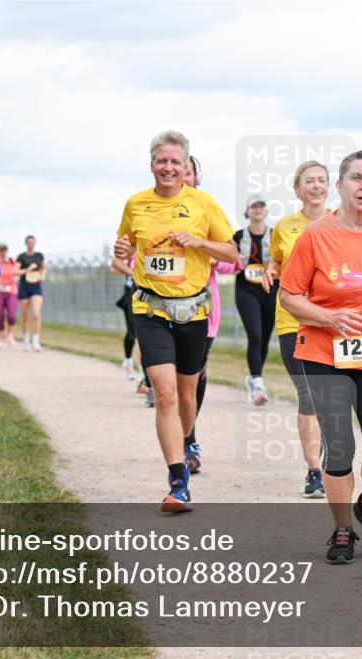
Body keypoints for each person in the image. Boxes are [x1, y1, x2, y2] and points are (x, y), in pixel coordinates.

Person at [279, 150, 362, 565]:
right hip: (323, 354)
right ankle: (341, 530)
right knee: (339, 447)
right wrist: (329, 317)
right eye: (356, 178)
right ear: (340, 187)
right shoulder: (316, 236)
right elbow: (289, 296)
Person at [114, 130, 237, 512]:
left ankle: (187, 442)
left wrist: (199, 243)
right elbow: (125, 246)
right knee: (164, 393)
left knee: (186, 394)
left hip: (193, 312)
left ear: (186, 168)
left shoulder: (203, 204)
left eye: (175, 162)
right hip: (150, 310)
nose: (168, 168)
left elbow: (232, 250)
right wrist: (123, 249)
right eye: (161, 161)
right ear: (151, 164)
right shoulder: (136, 204)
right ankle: (178, 482)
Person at [262, 160, 331, 498]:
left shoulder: (342, 223)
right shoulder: (284, 227)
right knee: (310, 395)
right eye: (309, 181)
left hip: (334, 321)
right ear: (297, 189)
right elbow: (276, 259)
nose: (316, 186)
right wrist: (270, 271)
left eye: (321, 180)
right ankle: (314, 471)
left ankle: (334, 454)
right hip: (293, 320)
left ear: (329, 186)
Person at [180, 154, 239, 474]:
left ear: (195, 177)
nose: (183, 177)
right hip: (161, 308)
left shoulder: (207, 209)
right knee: (169, 379)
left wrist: (207, 252)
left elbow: (232, 260)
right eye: (179, 171)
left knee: (196, 372)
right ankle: (180, 435)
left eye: (188, 172)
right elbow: (138, 260)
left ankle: (189, 438)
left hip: (203, 306)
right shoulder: (156, 211)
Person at [233, 194, 277, 406]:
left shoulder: (276, 235)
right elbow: (228, 260)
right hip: (246, 290)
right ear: (248, 211)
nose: (258, 209)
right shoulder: (239, 236)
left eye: (261, 205)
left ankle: (253, 377)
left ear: (266, 210)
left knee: (265, 338)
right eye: (254, 206)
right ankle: (258, 385)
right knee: (255, 335)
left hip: (270, 289)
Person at [16, 235, 45, 352]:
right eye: (29, 242)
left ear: (35, 243)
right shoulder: (21, 257)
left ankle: (36, 340)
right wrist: (27, 269)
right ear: (26, 243)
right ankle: (25, 339)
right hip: (24, 287)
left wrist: (43, 275)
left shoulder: (39, 256)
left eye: (32, 242)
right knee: (25, 315)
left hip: (36, 287)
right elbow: (15, 271)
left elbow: (43, 267)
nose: (30, 244)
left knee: (36, 314)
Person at [112, 254, 139, 380]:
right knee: (132, 333)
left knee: (145, 335)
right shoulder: (130, 250)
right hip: (131, 294)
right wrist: (132, 272)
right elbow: (114, 268)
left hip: (151, 294)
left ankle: (145, 376)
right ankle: (128, 362)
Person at [0, 243, 19, 346]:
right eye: (1, 250)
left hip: (11, 291)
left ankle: (10, 334)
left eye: (5, 250)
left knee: (11, 315)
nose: (3, 252)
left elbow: (17, 273)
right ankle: (2, 337)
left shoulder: (12, 261)